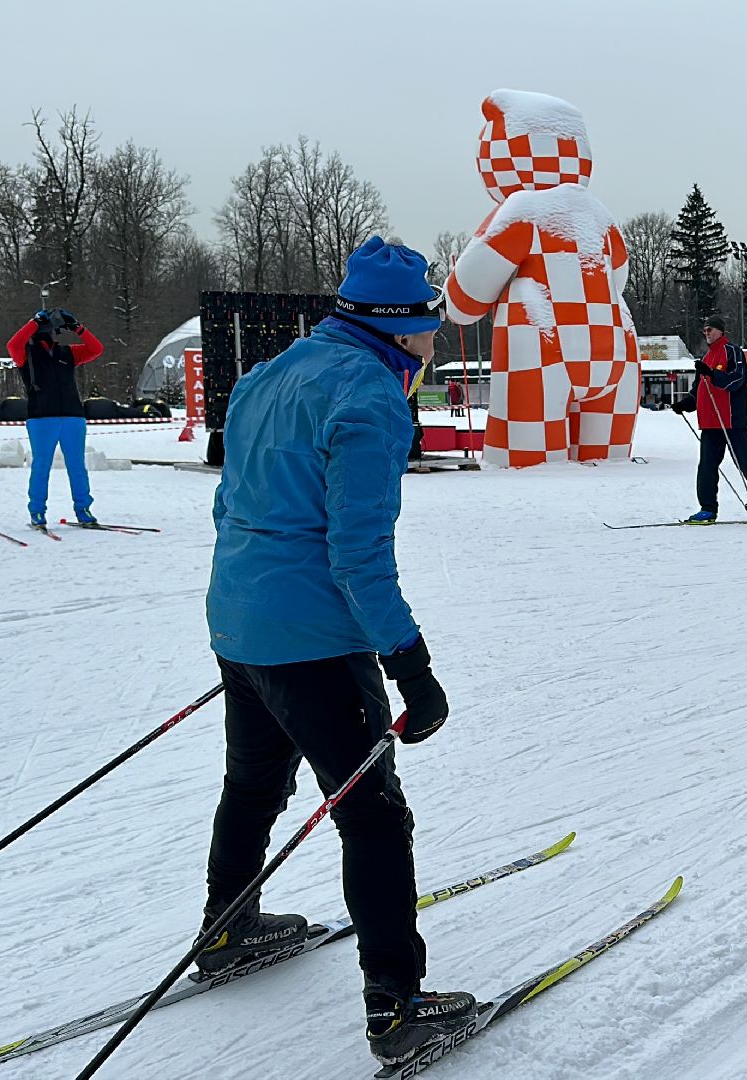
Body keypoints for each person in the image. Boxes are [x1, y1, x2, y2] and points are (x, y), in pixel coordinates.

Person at [200, 235, 476, 1067]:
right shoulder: (369, 397)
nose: (436, 339)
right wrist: (411, 664)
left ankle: (227, 930)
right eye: (430, 325)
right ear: (399, 331)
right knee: (374, 814)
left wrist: (250, 619)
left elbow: (228, 506)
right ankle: (397, 1006)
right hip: (317, 640)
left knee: (252, 784)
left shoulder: (271, 373)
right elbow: (357, 555)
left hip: (239, 623)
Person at [672, 313, 747, 522]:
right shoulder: (706, 358)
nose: (707, 333)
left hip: (731, 419)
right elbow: (698, 389)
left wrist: (712, 375)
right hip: (710, 422)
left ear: (720, 330)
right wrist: (685, 404)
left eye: (710, 329)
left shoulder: (732, 352)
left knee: (744, 461)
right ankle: (708, 509)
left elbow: (736, 381)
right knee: (707, 465)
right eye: (705, 330)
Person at [6, 309, 103, 528]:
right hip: (42, 418)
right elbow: (12, 344)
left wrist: (78, 327)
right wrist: (33, 322)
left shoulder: (67, 353)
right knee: (41, 465)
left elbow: (96, 349)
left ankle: (83, 509)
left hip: (72, 417)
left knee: (77, 466)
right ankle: (37, 511)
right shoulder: (26, 354)